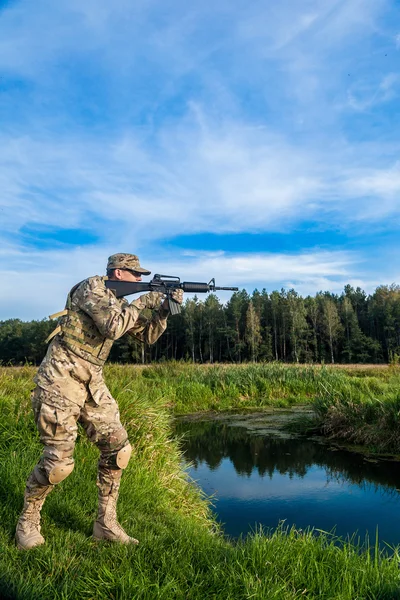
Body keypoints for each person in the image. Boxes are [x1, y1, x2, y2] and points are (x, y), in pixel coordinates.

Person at [15, 253, 183, 550]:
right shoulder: (91, 288)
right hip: (60, 378)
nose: (141, 281)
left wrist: (165, 311)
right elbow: (113, 327)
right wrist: (144, 300)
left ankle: (105, 524)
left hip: (91, 381)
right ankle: (27, 521)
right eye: (136, 275)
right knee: (58, 464)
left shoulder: (119, 302)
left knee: (119, 449)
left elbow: (146, 336)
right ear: (119, 273)